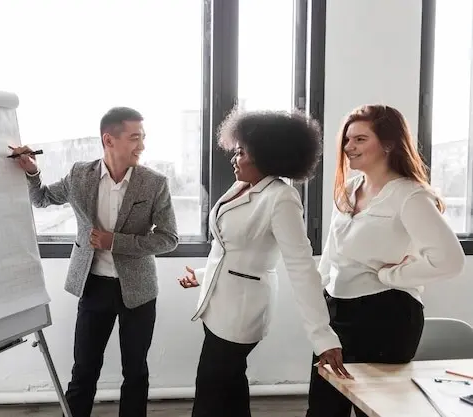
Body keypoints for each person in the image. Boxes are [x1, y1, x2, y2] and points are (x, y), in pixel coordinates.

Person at [178, 108, 350, 417]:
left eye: (241, 152)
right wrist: (202, 276)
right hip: (217, 305)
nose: (234, 158)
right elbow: (233, 251)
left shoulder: (281, 198)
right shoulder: (243, 186)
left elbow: (301, 268)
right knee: (230, 390)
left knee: (210, 395)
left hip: (241, 314)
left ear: (266, 156)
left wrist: (322, 336)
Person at [9, 106, 179, 417]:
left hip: (138, 291)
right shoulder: (80, 175)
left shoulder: (154, 183)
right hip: (93, 286)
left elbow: (168, 238)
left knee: (135, 372)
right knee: (84, 370)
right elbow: (42, 199)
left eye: (143, 137)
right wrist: (32, 171)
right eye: (135, 138)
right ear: (108, 140)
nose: (142, 145)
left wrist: (115, 242)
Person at [305, 104, 466, 417]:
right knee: (323, 408)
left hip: (386, 315)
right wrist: (318, 303)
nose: (349, 147)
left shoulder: (410, 195)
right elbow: (332, 254)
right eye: (347, 139)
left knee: (377, 409)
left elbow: (450, 260)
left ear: (389, 144)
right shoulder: (349, 189)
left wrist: (390, 276)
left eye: (360, 139)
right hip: (337, 312)